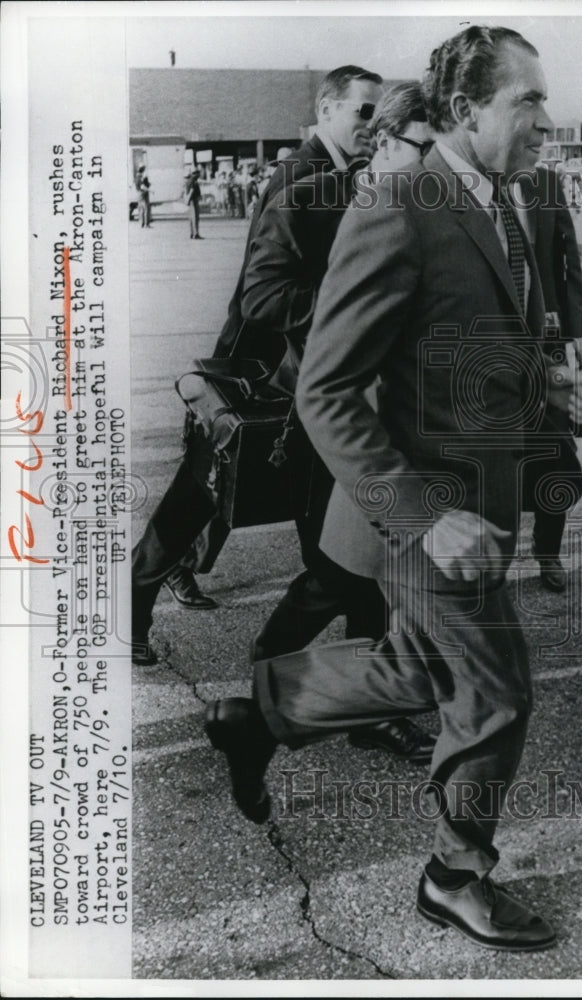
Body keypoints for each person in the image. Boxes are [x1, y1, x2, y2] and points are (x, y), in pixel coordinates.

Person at [205, 26, 582, 951]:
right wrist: (423, 517)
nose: (547, 121)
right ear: (464, 109)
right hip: (424, 516)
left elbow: (466, 349)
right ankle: (452, 876)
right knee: (496, 694)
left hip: (479, 504)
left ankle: (258, 716)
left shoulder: (500, 200)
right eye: (527, 101)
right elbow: (326, 391)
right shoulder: (397, 205)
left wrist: (551, 394)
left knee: (417, 672)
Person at [132, 67, 433, 762]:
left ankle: (357, 706)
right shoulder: (299, 180)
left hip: (319, 391)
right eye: (362, 111)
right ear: (326, 108)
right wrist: (343, 314)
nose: (370, 125)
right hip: (266, 377)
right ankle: (138, 610)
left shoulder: (366, 183)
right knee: (196, 505)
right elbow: (261, 294)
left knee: (343, 555)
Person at [516, 164, 582, 592]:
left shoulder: (545, 182)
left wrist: (577, 330)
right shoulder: (469, 181)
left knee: (557, 445)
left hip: (549, 337)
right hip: (491, 339)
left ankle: (548, 551)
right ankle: (491, 555)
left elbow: (568, 258)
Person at [185, 169, 202, 239]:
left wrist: (187, 201)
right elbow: (191, 191)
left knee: (191, 218)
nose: (199, 175)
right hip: (193, 201)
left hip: (191, 201)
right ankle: (196, 234)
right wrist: (188, 200)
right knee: (195, 218)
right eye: (198, 173)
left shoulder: (188, 181)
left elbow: (186, 192)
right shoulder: (194, 181)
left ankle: (192, 233)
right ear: (195, 174)